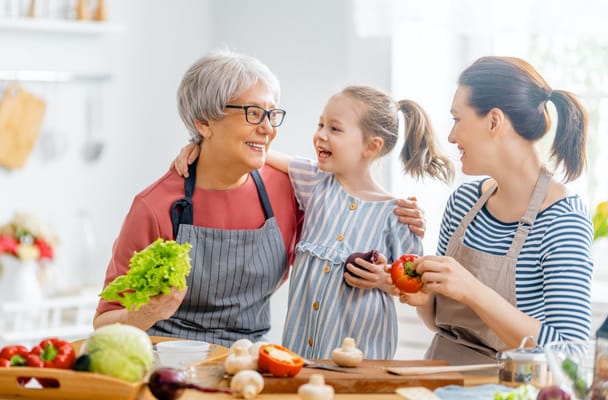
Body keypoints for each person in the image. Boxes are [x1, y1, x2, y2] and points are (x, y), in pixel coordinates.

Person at [95, 49, 426, 348]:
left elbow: (352, 218)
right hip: (170, 367)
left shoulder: (288, 189)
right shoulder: (155, 206)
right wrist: (144, 314)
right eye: (254, 113)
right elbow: (104, 325)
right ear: (204, 122)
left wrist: (399, 233)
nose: (268, 128)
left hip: (251, 366)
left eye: (272, 114)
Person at [174, 85, 453, 359]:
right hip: (302, 351)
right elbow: (254, 153)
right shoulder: (314, 181)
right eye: (320, 125)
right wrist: (201, 145)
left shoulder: (400, 215)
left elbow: (417, 288)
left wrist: (384, 279)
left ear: (372, 146)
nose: (320, 135)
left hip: (364, 356)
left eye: (335, 128)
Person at [396, 56, 594, 365]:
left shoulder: (563, 220)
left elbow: (570, 354)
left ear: (493, 121)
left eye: (457, 119)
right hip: (438, 377)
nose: (451, 136)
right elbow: (442, 324)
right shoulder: (463, 201)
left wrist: (473, 290)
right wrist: (424, 299)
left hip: (509, 388)